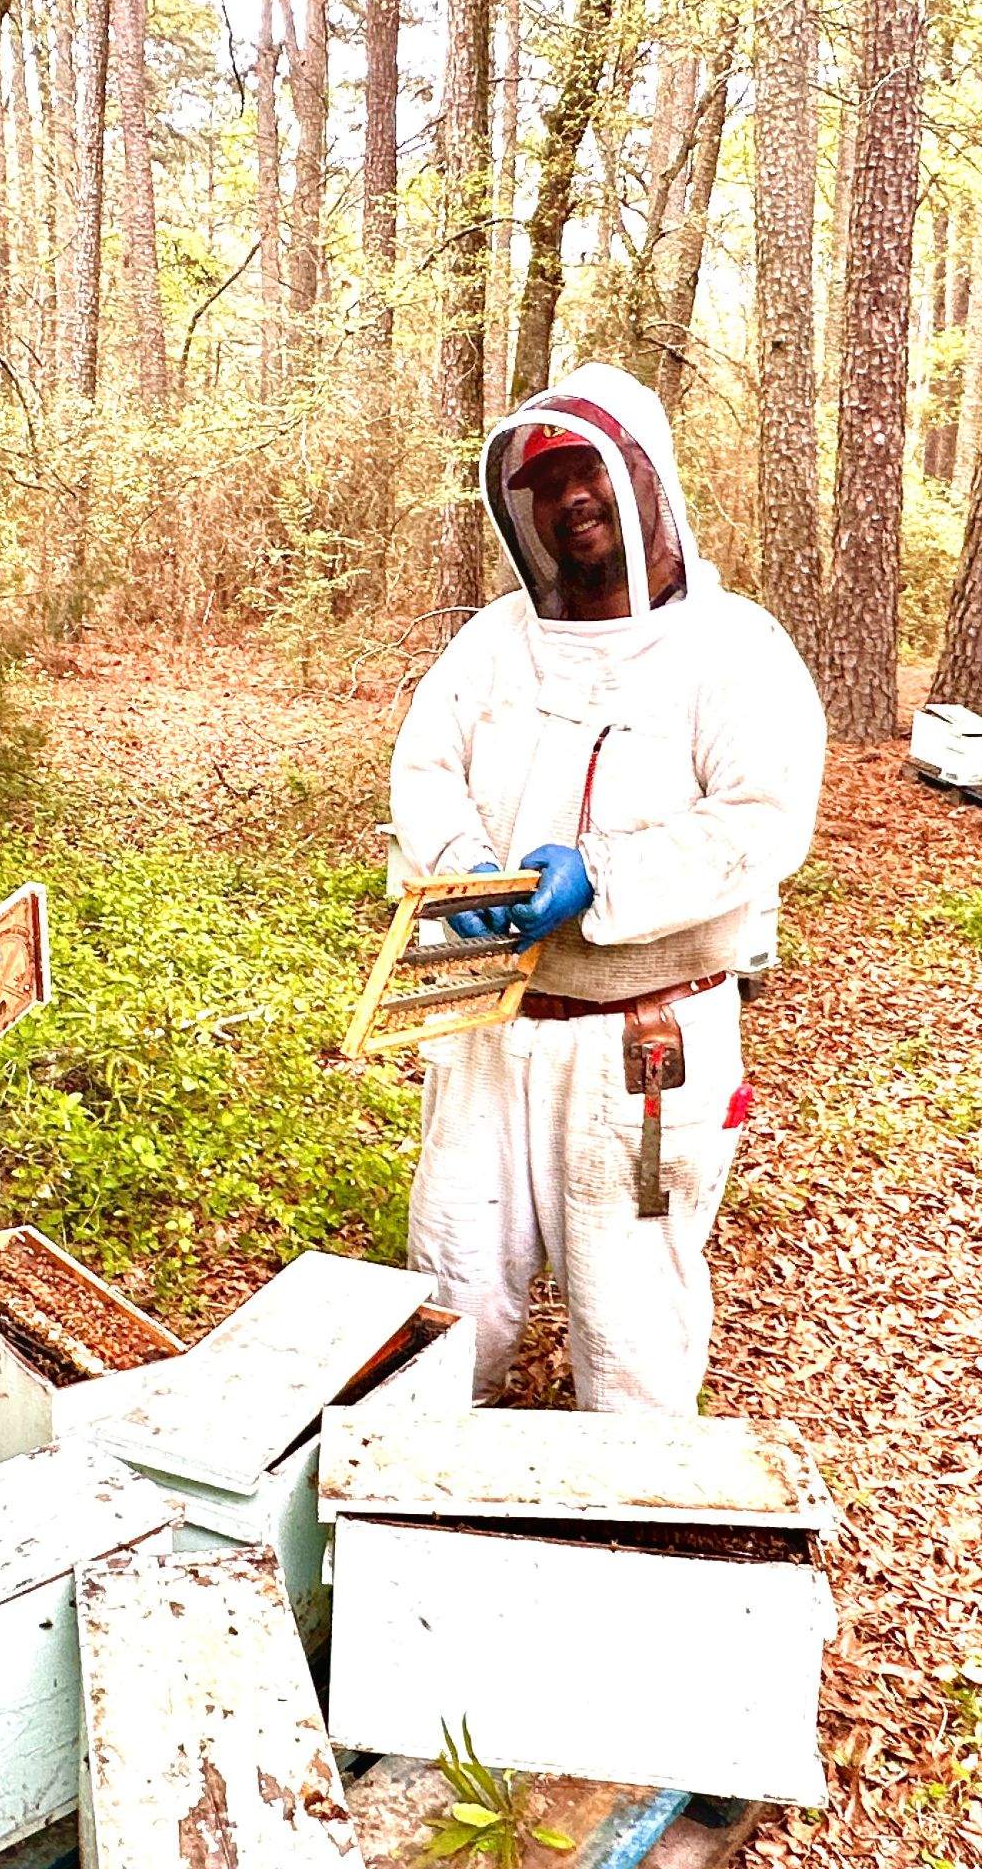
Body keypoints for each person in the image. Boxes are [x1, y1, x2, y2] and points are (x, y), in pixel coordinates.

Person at [388, 362, 825, 1414]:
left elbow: (763, 819)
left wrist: (605, 875)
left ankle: (628, 1496)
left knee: (632, 1321)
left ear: (645, 478)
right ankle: (427, 1479)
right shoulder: (495, 641)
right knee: (454, 1281)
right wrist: (462, 865)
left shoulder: (735, 648)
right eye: (545, 482)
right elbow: (424, 769)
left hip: (643, 1039)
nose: (569, 496)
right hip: (488, 1011)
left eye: (588, 468)